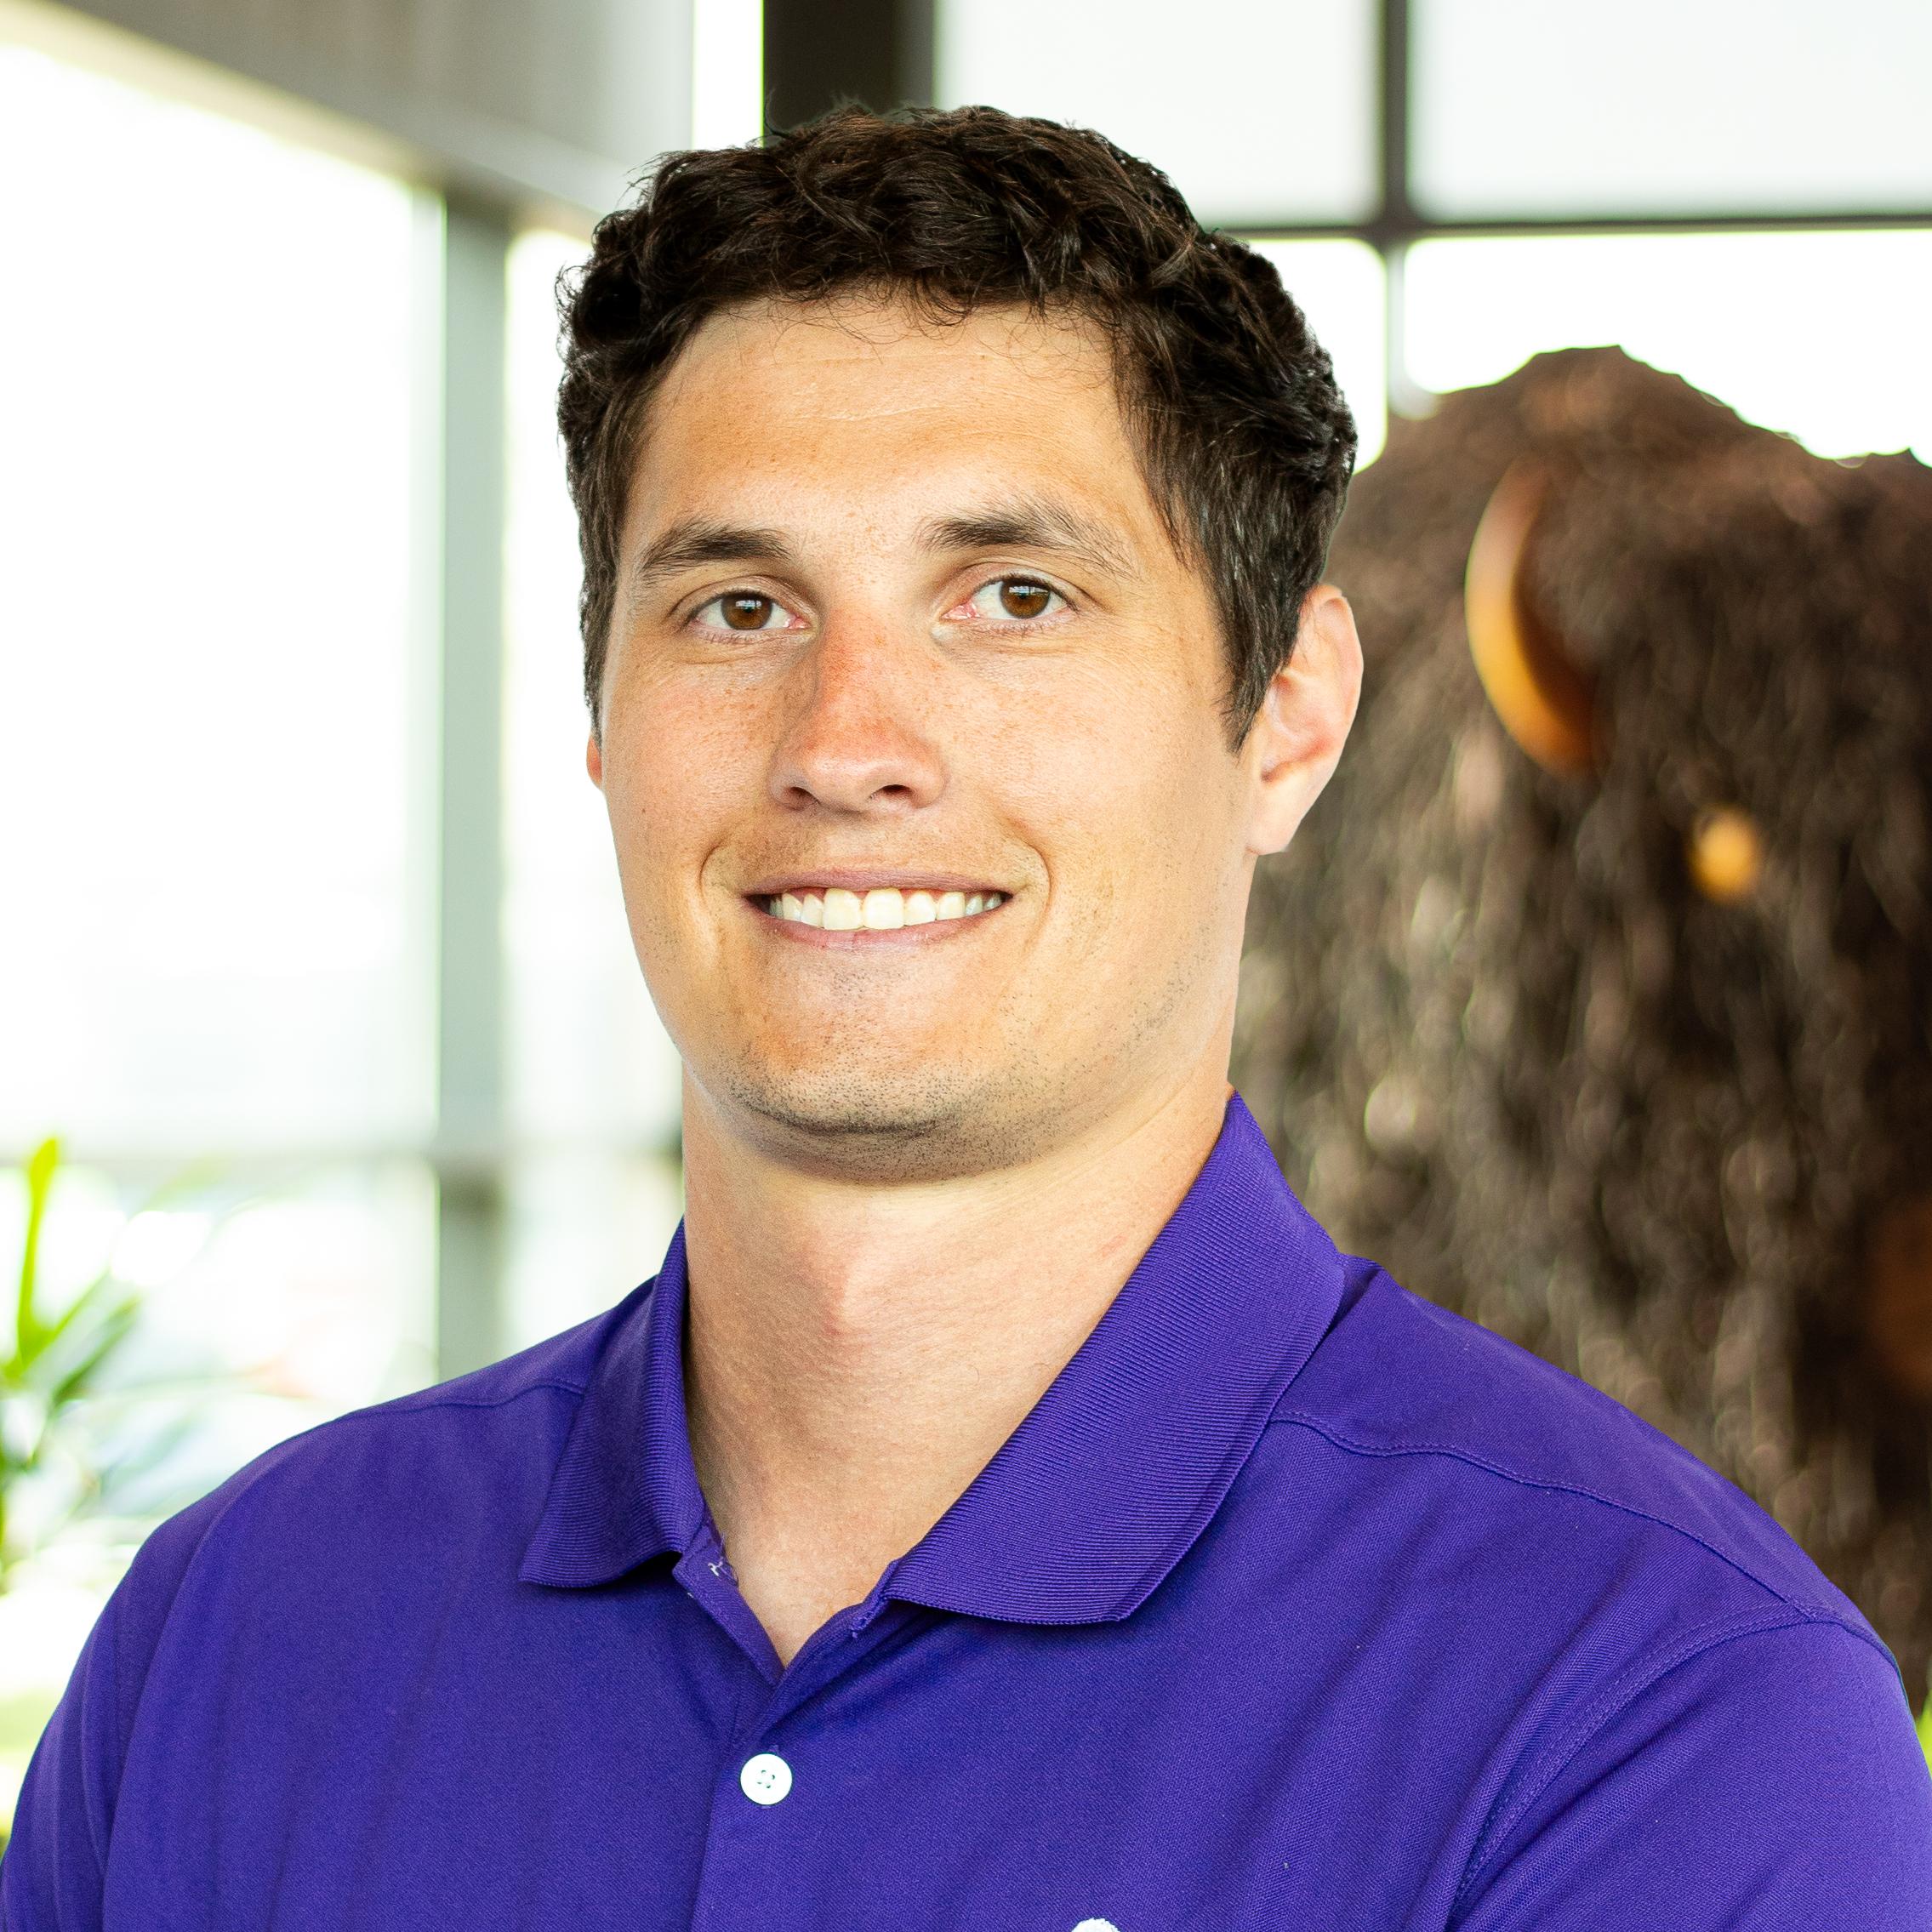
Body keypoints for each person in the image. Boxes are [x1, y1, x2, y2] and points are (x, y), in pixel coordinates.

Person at [5, 105, 1929, 1931]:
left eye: (1011, 596)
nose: (847, 743)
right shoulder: (231, 1635)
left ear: (1287, 717)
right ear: (600, 715)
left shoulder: (1658, 1714)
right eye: (737, 609)